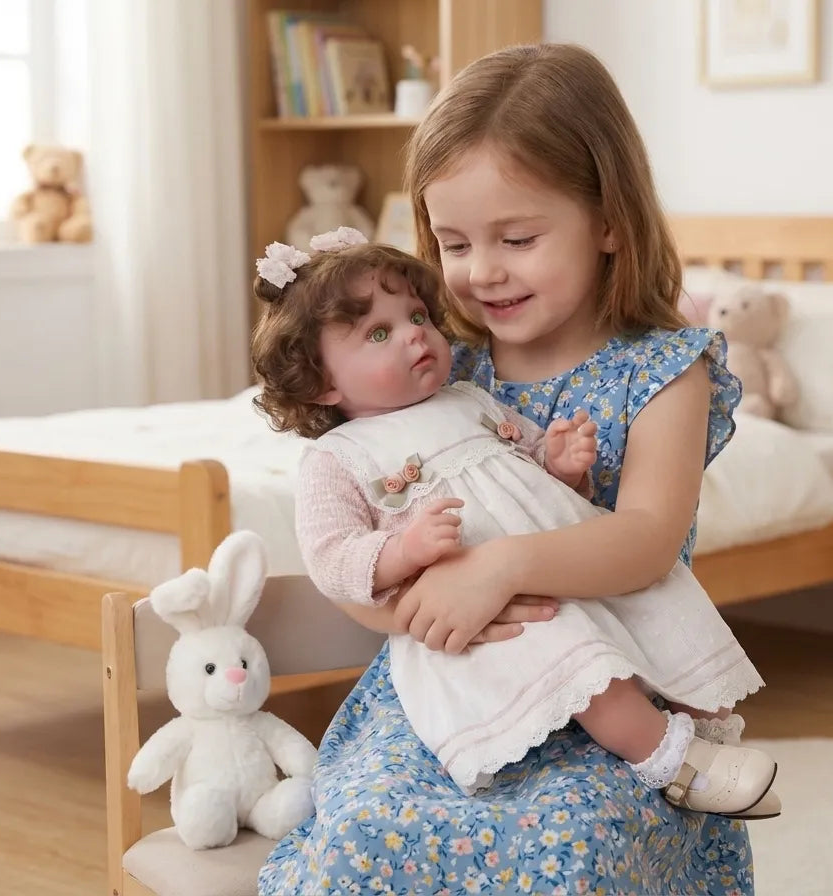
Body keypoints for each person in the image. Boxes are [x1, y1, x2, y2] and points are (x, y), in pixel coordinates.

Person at [259, 43, 767, 896]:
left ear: (609, 220)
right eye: (453, 243)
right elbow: (347, 545)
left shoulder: (664, 371)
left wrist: (498, 568)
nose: (481, 271)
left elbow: (645, 541)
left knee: (573, 843)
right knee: (369, 827)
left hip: (619, 690)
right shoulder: (440, 366)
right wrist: (410, 606)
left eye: (518, 238)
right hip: (446, 681)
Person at [250, 227, 776, 812]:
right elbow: (330, 556)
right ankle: (671, 762)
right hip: (494, 614)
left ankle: (711, 727)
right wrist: (404, 552)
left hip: (562, 561)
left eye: (418, 316)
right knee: (586, 669)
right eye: (379, 333)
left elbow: (522, 464)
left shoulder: (466, 397)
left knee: (660, 614)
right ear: (321, 383)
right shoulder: (338, 458)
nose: (415, 336)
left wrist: (560, 462)